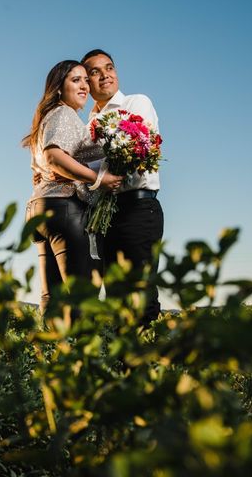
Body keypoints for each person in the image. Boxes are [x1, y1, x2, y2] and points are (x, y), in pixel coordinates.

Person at [23, 60, 122, 317]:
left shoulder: (46, 119)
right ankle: (82, 353)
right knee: (82, 294)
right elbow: (55, 157)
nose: (85, 86)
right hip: (63, 207)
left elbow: (42, 167)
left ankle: (49, 352)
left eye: (85, 81)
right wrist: (98, 179)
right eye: (75, 80)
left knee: (52, 297)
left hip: (41, 209)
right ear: (58, 88)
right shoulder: (64, 114)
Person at [82, 49, 164, 324]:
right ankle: (123, 364)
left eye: (109, 68)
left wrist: (88, 174)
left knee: (140, 294)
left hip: (138, 208)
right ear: (87, 82)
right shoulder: (88, 124)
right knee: (116, 298)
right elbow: (88, 171)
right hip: (106, 218)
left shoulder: (136, 103)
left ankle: (147, 363)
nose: (105, 75)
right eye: (95, 72)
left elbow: (135, 151)